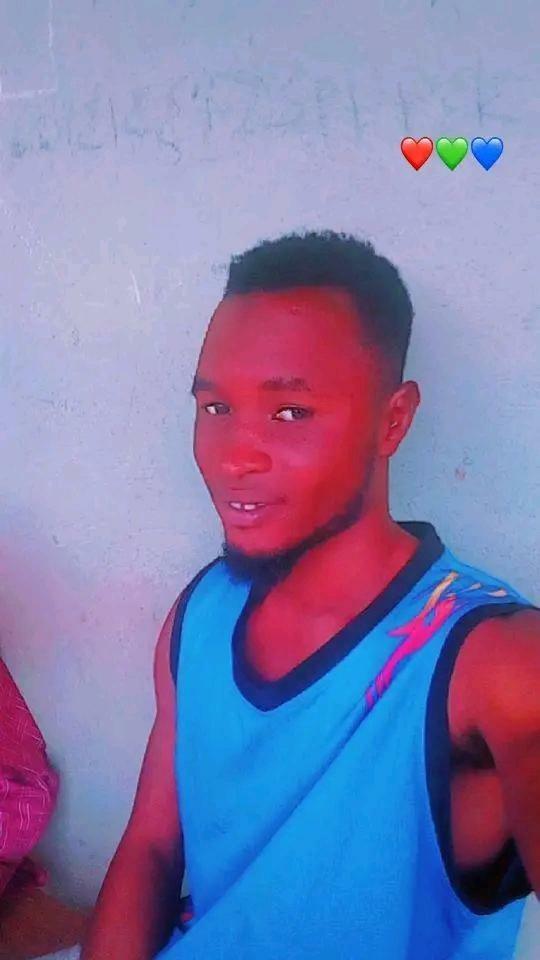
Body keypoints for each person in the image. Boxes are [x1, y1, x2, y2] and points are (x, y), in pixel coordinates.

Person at [82, 231, 540, 960]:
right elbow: (152, 848)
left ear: (393, 421)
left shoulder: (492, 661)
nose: (234, 457)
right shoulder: (203, 614)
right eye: (215, 408)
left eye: (290, 413)